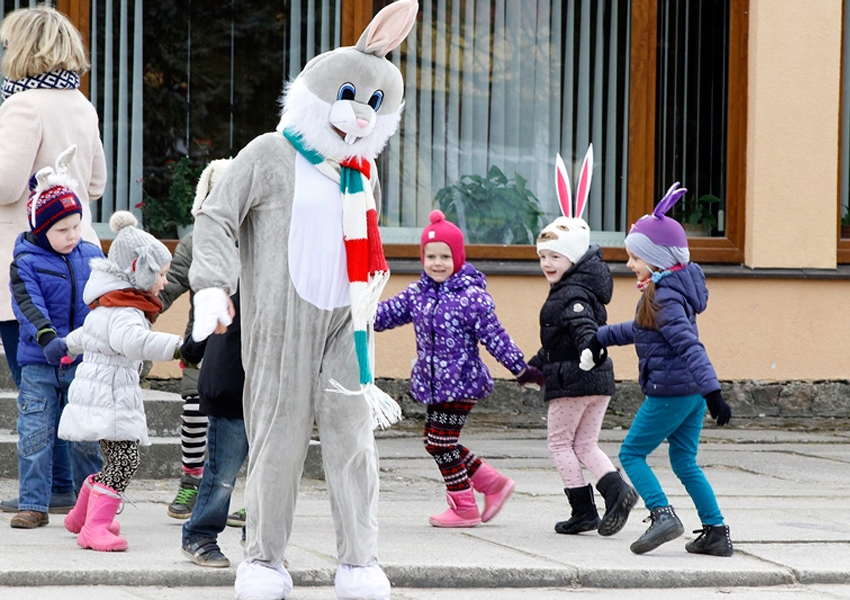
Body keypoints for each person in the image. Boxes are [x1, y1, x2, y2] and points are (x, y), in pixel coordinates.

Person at [187, 3, 416, 597]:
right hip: (281, 325)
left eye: (374, 104)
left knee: (352, 446)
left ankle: (359, 563)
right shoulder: (269, 153)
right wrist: (210, 283)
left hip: (346, 326)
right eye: (349, 96)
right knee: (276, 445)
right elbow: (216, 216)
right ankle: (264, 561)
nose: (359, 116)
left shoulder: (359, 171)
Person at [580, 182, 733, 556]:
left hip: (673, 391)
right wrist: (600, 336)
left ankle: (662, 514)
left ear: (657, 259)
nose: (629, 264)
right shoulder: (665, 291)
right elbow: (642, 330)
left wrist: (714, 392)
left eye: (635, 257)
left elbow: (688, 345)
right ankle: (716, 532)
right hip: (690, 393)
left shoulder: (663, 296)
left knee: (632, 453)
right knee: (683, 460)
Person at [0, 5, 106, 514]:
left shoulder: (22, 105)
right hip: (79, 259)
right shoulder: (81, 104)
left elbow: (4, 183)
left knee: (39, 391)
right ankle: (67, 490)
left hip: (29, 261)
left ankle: (50, 493)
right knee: (72, 386)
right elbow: (96, 185)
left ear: (23, 48)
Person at [375, 210, 544, 528]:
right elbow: (386, 314)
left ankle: (464, 505)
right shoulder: (418, 294)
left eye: (445, 256)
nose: (437, 263)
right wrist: (357, 308)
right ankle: (491, 482)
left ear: (458, 256)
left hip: (462, 381)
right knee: (437, 441)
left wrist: (521, 369)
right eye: (430, 256)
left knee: (438, 442)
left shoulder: (472, 298)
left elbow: (495, 337)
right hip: (434, 383)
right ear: (422, 257)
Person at [57, 211, 182, 552]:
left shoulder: (107, 306)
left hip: (101, 396)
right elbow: (135, 342)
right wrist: (179, 346)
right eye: (160, 274)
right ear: (137, 269)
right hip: (110, 400)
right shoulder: (125, 311)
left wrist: (66, 346)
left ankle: (82, 515)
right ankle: (94, 527)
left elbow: (85, 334)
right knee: (126, 461)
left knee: (114, 460)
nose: (164, 282)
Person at [528, 146, 637, 536]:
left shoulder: (571, 296)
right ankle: (615, 490)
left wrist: (589, 349)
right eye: (542, 257)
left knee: (560, 444)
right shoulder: (582, 287)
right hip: (596, 380)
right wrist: (535, 366)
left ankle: (585, 509)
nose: (547, 263)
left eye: (555, 256)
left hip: (575, 379)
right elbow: (560, 340)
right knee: (586, 444)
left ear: (573, 258)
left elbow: (582, 331)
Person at [5, 148, 105, 529]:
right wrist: (47, 337)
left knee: (86, 437)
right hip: (40, 361)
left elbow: (105, 301)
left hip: (83, 361)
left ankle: (89, 506)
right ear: (41, 229)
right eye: (63, 230)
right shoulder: (26, 261)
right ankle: (34, 503)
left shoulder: (91, 254)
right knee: (35, 434)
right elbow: (27, 305)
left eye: (77, 226)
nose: (72, 235)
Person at [158, 158, 232, 521]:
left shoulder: (256, 237)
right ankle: (191, 480)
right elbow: (170, 284)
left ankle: (243, 490)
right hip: (200, 347)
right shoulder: (193, 242)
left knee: (245, 422)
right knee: (194, 413)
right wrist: (137, 310)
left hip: (248, 349)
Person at [180, 289, 247, 568]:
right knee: (223, 475)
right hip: (230, 387)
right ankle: (199, 535)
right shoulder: (231, 279)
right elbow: (194, 345)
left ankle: (261, 538)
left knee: (272, 474)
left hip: (274, 392)